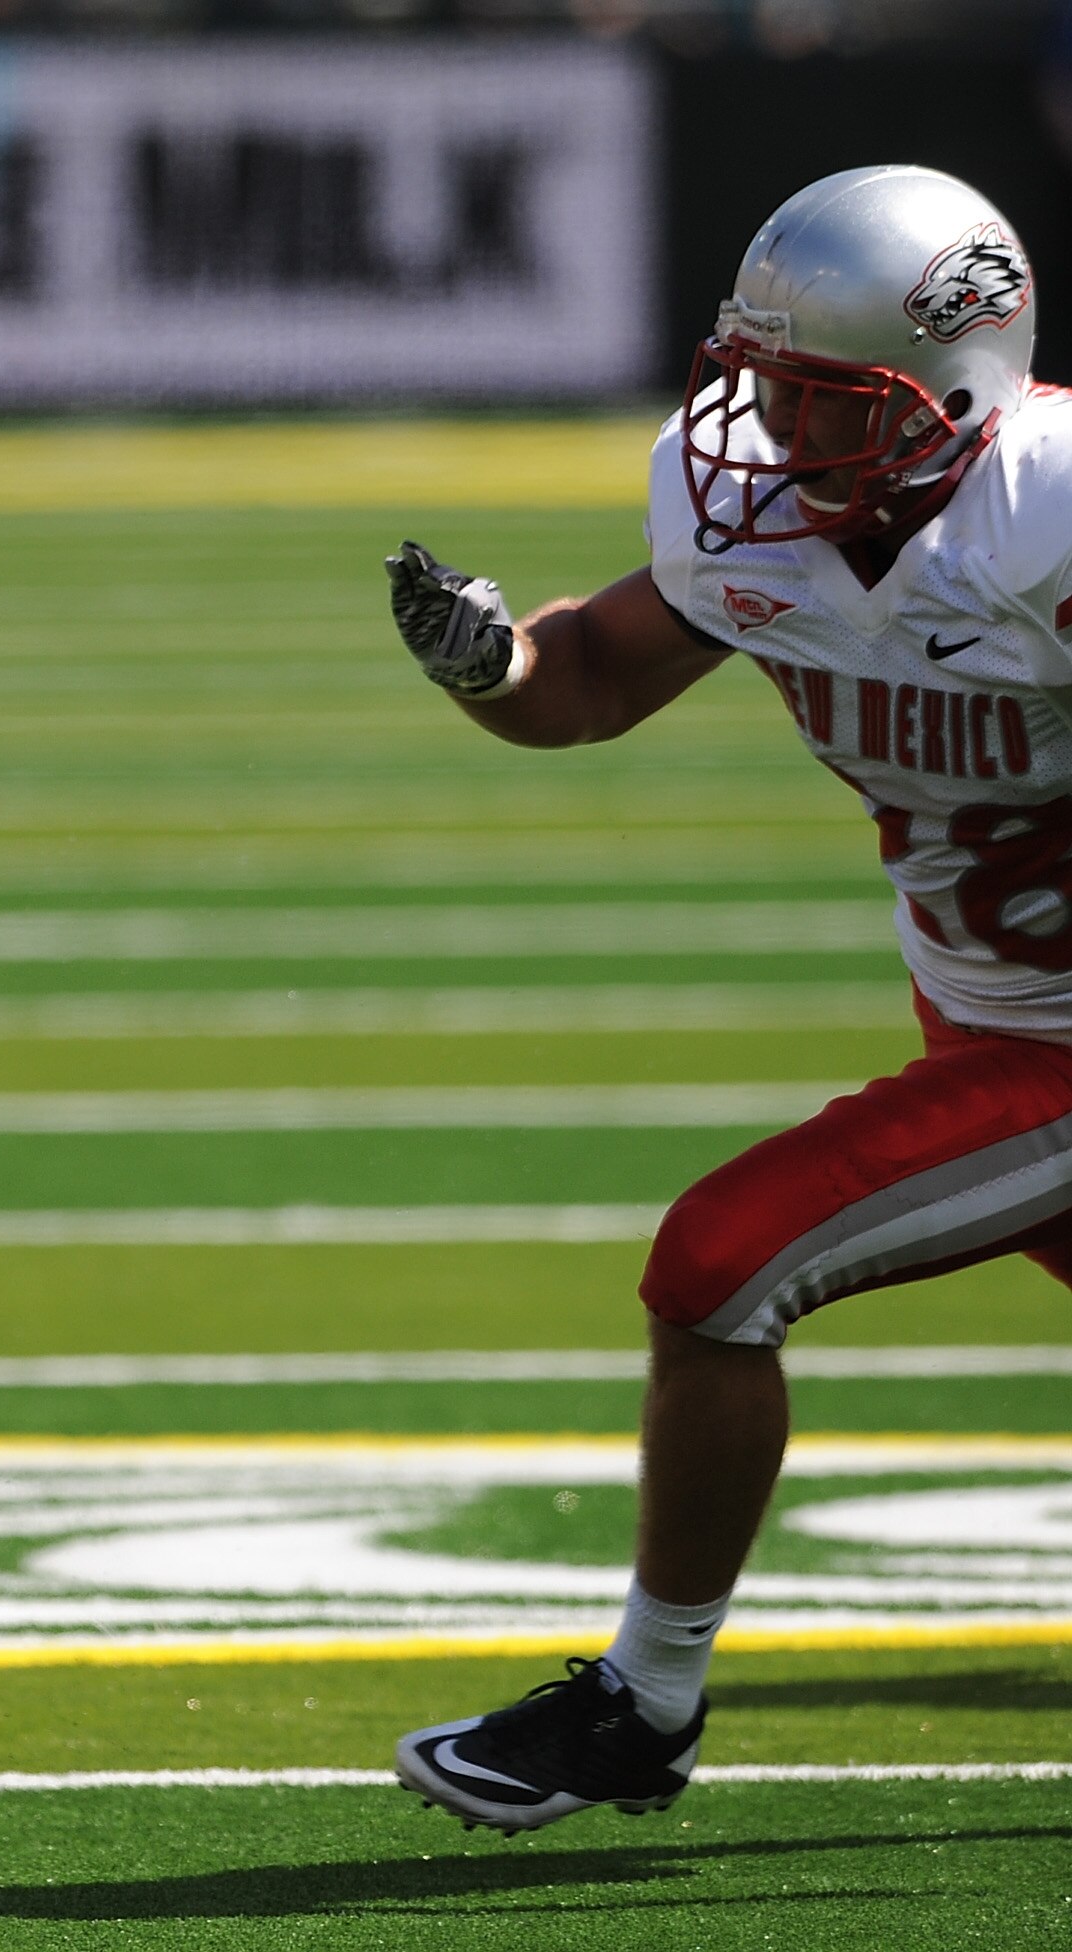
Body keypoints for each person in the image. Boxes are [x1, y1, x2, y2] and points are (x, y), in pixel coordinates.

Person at [385, 165, 1056, 1832]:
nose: (769, 430)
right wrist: (502, 670)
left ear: (955, 392)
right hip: (982, 1013)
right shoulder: (764, 518)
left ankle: (644, 1697)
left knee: (720, 1261)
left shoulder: (1047, 521)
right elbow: (597, 674)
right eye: (756, 383)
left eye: (825, 400)